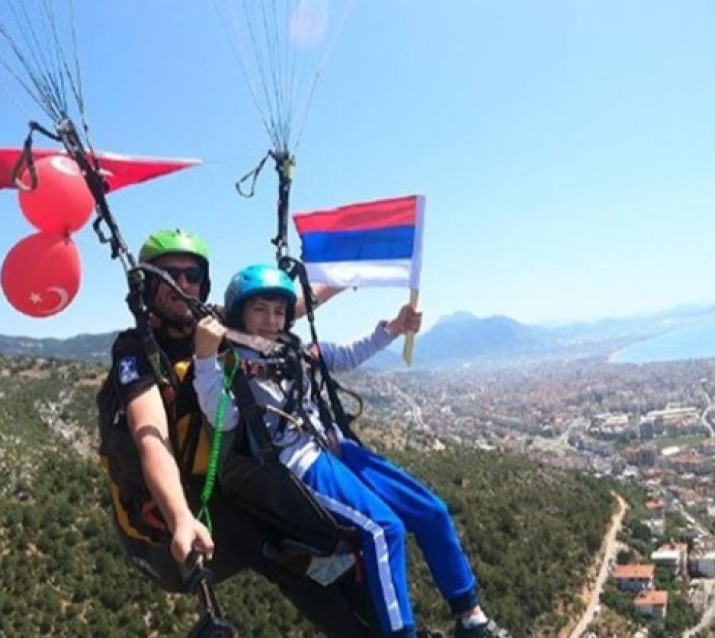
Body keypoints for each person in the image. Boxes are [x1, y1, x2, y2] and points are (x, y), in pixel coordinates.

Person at [193, 263, 509, 638]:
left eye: (278, 311)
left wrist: (394, 328)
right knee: (383, 530)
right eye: (259, 310)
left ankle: (470, 616)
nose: (271, 320)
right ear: (240, 313)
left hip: (334, 448)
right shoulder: (233, 365)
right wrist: (204, 361)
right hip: (299, 462)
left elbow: (347, 354)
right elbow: (223, 418)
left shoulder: (295, 351)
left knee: (431, 511)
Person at [96, 230, 377, 637]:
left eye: (192, 275)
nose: (183, 285)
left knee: (332, 539)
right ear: (148, 285)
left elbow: (278, 311)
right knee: (287, 561)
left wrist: (341, 278)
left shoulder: (209, 323)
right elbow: (149, 435)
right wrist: (180, 519)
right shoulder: (136, 353)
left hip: (227, 481)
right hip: (183, 513)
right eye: (170, 275)